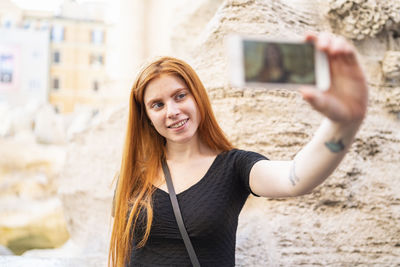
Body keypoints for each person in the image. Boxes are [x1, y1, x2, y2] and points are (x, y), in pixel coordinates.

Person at [109, 32, 368, 267]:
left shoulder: (234, 167)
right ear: (146, 117)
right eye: (157, 104)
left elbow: (295, 178)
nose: (173, 111)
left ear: (198, 97)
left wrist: (343, 123)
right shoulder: (133, 175)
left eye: (180, 96)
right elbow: (122, 255)